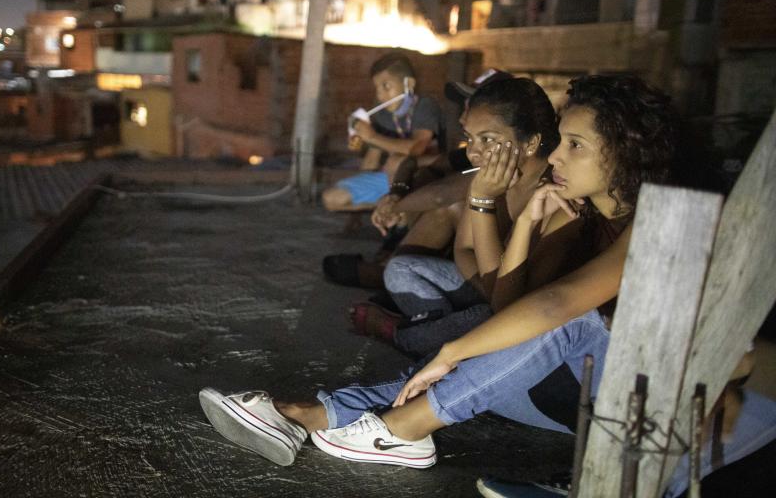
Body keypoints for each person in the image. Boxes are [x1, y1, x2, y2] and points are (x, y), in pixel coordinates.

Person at [199, 75, 769, 493]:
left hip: (682, 410)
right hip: (601, 399)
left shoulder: (657, 220)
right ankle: (307, 415)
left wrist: (451, 349)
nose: (557, 156)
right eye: (560, 141)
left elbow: (558, 306)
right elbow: (513, 305)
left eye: (575, 145)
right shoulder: (582, 213)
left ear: (625, 154)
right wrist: (519, 222)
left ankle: (403, 429)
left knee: (525, 332)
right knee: (476, 351)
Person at [352, 76, 562, 355]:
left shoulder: (552, 195)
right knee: (400, 269)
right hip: (487, 288)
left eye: (487, 140)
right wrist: (487, 289)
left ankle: (408, 333)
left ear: (531, 143)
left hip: (520, 305)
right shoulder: (485, 177)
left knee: (488, 320)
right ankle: (437, 325)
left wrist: (481, 199)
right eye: (470, 139)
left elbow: (514, 302)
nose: (474, 152)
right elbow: (464, 248)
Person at [321, 53, 444, 212]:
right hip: (389, 176)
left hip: (424, 173)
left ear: (409, 84)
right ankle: (389, 207)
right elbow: (372, 157)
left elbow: (416, 148)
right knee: (330, 198)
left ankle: (398, 209)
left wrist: (372, 136)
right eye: (377, 89)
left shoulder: (425, 105)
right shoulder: (383, 114)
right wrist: (358, 141)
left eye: (386, 86)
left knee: (397, 160)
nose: (380, 95)